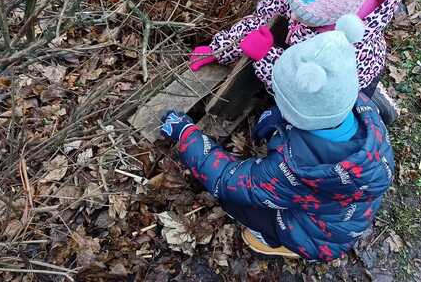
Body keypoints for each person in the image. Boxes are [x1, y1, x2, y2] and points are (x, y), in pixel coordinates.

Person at [160, 16, 395, 261]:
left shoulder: (295, 168)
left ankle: (272, 240)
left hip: (319, 238)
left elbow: (228, 180)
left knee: (235, 202)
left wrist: (186, 134)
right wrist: (278, 118)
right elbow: (312, 113)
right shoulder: (364, 112)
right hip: (347, 210)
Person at [188, 0, 405, 124]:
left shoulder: (342, 47)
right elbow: (263, 17)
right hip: (310, 63)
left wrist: (264, 57)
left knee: (337, 120)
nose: (293, 15)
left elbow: (302, 91)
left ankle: (370, 102)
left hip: (337, 90)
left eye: (305, 16)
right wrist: (220, 48)